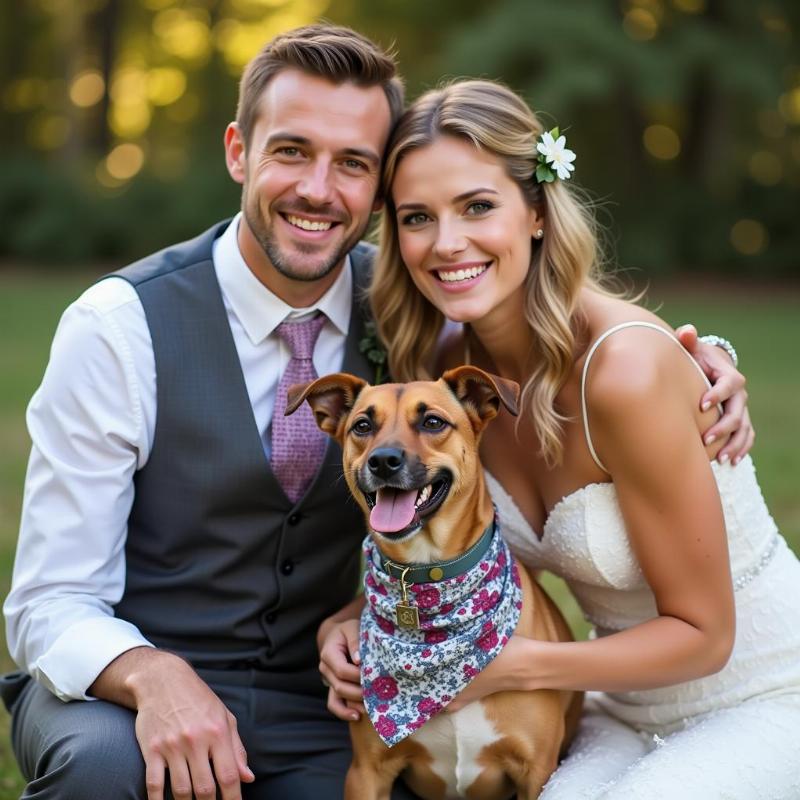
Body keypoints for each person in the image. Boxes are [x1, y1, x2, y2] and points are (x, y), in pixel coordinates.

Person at [3, 25, 747, 800]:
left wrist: (702, 358)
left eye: (353, 163)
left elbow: (555, 329)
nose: (320, 190)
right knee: (104, 770)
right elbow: (50, 602)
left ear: (375, 189)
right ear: (237, 151)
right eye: (292, 151)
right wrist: (151, 677)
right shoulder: (117, 328)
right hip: (130, 690)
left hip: (324, 702)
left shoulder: (414, 304)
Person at [319, 79, 800, 798]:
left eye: (477, 206)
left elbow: (707, 637)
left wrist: (510, 668)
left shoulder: (625, 372)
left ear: (537, 211)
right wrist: (352, 620)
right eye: (418, 217)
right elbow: (458, 549)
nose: (448, 243)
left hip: (761, 695)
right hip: (612, 702)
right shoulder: (446, 381)